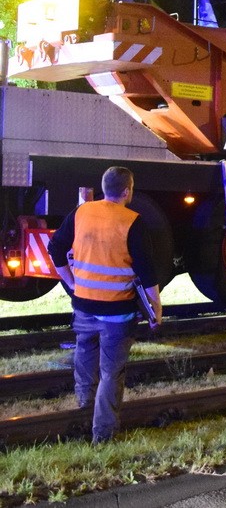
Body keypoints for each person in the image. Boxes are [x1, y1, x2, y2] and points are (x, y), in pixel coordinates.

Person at [47, 166, 162, 443]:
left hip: (84, 306)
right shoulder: (132, 221)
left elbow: (55, 249)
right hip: (117, 313)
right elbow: (146, 273)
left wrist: (72, 283)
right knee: (112, 371)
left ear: (104, 187)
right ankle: (104, 434)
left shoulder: (81, 213)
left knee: (85, 352)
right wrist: (155, 309)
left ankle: (83, 407)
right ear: (127, 191)